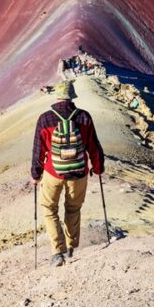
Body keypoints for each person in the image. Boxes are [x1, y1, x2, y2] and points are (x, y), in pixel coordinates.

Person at [31, 80, 104, 267]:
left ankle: (57, 253)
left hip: (53, 174)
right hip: (79, 173)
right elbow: (93, 146)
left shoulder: (45, 119)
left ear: (56, 96)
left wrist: (35, 174)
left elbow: (38, 151)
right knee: (73, 209)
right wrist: (98, 168)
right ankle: (71, 247)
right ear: (72, 96)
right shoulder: (84, 117)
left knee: (49, 209)